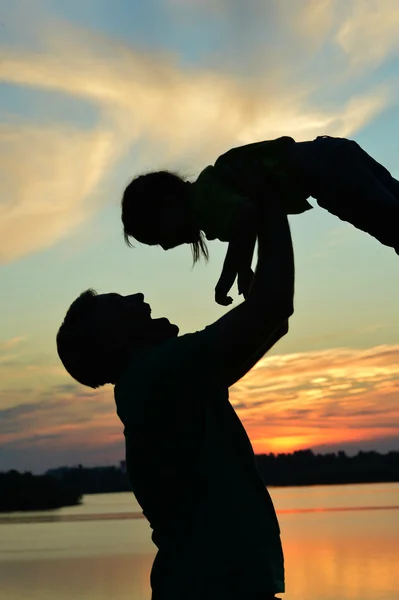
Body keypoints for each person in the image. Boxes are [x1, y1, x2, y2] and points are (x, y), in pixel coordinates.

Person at [56, 193, 294, 600]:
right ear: (113, 341)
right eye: (121, 305)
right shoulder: (157, 376)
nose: (140, 299)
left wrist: (262, 295)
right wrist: (270, 199)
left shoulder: (159, 385)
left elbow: (274, 319)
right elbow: (272, 309)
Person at [122, 134, 399, 306]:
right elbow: (249, 218)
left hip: (327, 173)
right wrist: (244, 268)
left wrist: (230, 276)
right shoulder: (212, 189)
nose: (166, 247)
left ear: (167, 207)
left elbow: (245, 217)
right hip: (332, 156)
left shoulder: (204, 201)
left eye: (158, 237)